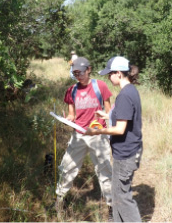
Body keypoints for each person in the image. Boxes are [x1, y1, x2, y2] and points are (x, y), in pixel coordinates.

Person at [85, 56, 143, 222]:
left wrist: (97, 132)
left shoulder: (124, 95)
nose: (108, 78)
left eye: (110, 74)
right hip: (127, 150)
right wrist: (107, 114)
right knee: (117, 194)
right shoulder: (131, 90)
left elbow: (120, 129)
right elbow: (123, 116)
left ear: (118, 73)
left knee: (122, 197)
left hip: (126, 153)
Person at [56, 57, 113, 220]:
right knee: (67, 167)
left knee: (104, 171)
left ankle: (112, 208)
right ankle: (60, 200)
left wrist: (106, 128)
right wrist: (68, 119)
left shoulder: (100, 86)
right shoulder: (71, 90)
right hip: (79, 135)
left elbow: (109, 111)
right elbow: (72, 114)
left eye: (80, 72)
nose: (78, 76)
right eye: (74, 73)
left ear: (88, 69)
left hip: (97, 134)